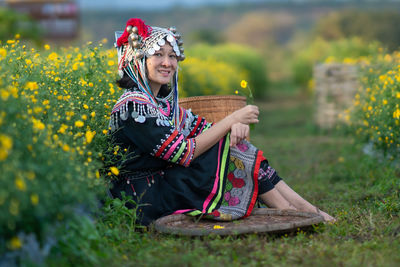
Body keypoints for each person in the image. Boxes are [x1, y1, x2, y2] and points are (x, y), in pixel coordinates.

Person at [107, 18, 335, 226]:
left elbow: (208, 130)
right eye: (158, 55)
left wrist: (232, 127)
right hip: (142, 197)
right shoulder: (134, 107)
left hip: (164, 183)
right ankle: (293, 212)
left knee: (236, 146)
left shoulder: (163, 105)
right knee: (230, 151)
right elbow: (183, 153)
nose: (167, 62)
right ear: (138, 60)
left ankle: (301, 209)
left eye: (172, 55)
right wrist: (232, 119)